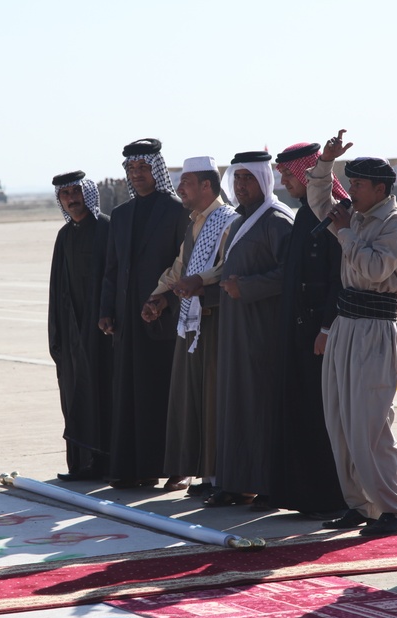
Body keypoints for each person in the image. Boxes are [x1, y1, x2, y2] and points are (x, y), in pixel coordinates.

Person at [307, 129, 397, 537]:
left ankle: (394, 510)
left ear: (380, 188)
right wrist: (325, 163)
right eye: (349, 183)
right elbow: (319, 199)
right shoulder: (351, 214)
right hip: (345, 325)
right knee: (339, 419)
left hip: (374, 328)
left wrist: (344, 232)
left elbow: (374, 269)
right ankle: (360, 505)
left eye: (357, 184)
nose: (350, 190)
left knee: (369, 424)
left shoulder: (396, 224)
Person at [143, 156, 238, 496]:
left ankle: (217, 476)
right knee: (193, 399)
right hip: (191, 321)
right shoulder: (195, 222)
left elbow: (227, 266)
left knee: (213, 398)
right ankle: (202, 474)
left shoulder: (228, 221)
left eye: (187, 182)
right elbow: (179, 267)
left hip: (215, 323)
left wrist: (198, 280)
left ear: (207, 186)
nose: (180, 188)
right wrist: (157, 297)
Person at [98, 138, 189, 488]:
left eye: (143, 167)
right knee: (130, 394)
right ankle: (137, 467)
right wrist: (107, 310)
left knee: (164, 393)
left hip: (163, 319)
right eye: (132, 168)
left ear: (157, 169)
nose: (137, 174)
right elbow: (112, 269)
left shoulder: (177, 210)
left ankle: (176, 467)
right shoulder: (121, 215)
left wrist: (165, 301)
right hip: (127, 322)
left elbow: (185, 264)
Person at [206, 151, 293, 508]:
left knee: (258, 405)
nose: (241, 186)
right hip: (234, 329)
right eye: (236, 178)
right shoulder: (240, 220)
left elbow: (290, 274)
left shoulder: (277, 221)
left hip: (262, 330)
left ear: (264, 180)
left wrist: (249, 287)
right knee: (234, 403)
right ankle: (235, 483)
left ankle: (266, 484)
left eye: (248, 178)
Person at [268, 142, 348, 517]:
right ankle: (303, 495)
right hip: (297, 333)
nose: (283, 182)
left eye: (288, 174)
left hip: (321, 335)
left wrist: (327, 328)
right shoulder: (303, 216)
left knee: (323, 417)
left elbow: (339, 279)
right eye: (281, 175)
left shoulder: (334, 214)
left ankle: (328, 497)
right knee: (299, 411)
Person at [48, 171, 113, 482]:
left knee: (101, 396)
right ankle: (81, 464)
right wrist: (58, 335)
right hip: (72, 335)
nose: (72, 199)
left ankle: (104, 464)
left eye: (76, 192)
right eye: (65, 194)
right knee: (74, 396)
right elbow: (57, 288)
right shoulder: (65, 235)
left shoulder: (106, 228)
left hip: (101, 334)